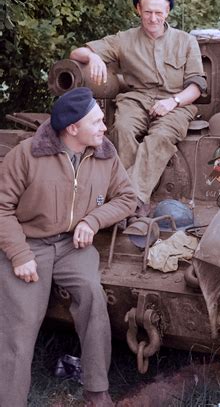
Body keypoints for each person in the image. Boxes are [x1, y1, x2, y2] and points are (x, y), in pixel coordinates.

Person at [0, 87, 137, 407]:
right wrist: (19, 255)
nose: (105, 127)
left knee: (92, 296)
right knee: (18, 324)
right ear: (73, 128)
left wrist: (92, 221)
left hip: (72, 245)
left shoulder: (105, 153)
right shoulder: (28, 154)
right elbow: (2, 207)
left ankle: (97, 390)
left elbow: (127, 198)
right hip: (29, 243)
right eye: (98, 122)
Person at [70, 0, 207, 213]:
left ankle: (127, 201)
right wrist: (93, 58)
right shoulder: (124, 40)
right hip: (136, 99)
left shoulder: (185, 41)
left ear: (167, 13)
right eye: (147, 12)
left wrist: (172, 102)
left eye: (158, 13)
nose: (153, 18)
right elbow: (76, 53)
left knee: (161, 137)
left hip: (177, 102)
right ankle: (133, 199)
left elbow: (196, 87)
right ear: (138, 10)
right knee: (121, 128)